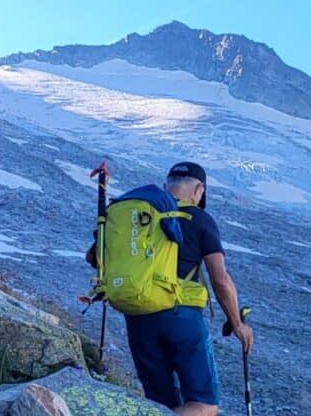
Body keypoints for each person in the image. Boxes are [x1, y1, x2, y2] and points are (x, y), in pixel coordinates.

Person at [88, 162, 253, 415]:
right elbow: (220, 279)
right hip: (180, 316)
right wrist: (237, 324)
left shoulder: (135, 215)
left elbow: (95, 258)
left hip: (137, 315)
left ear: (166, 186)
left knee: (161, 404)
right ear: (199, 190)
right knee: (204, 405)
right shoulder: (199, 219)